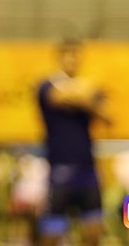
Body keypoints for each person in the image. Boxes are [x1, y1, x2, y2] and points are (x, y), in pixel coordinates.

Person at [37, 38, 111, 246]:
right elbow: (58, 98)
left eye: (75, 55)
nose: (72, 60)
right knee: (52, 235)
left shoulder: (88, 86)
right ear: (60, 58)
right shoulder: (46, 86)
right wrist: (87, 98)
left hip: (87, 169)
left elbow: (109, 115)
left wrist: (83, 97)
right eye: (67, 55)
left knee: (94, 233)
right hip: (60, 168)